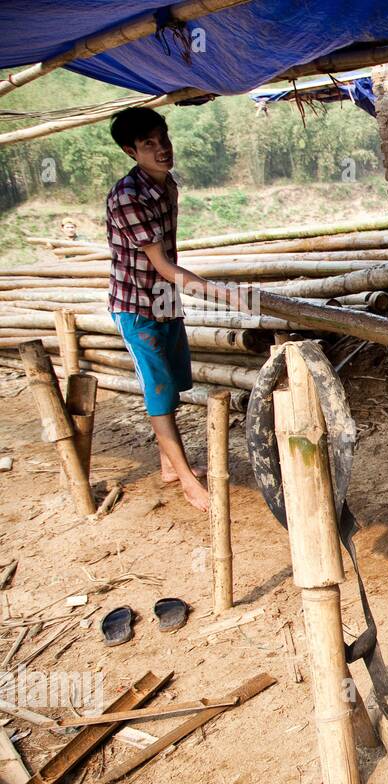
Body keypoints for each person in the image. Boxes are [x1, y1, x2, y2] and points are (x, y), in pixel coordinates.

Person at [106, 107, 238, 512]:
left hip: (165, 299)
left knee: (177, 379)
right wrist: (222, 293)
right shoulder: (127, 197)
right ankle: (185, 481)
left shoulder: (168, 186)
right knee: (159, 391)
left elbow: (166, 260)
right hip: (136, 306)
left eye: (163, 139)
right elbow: (162, 264)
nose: (162, 149)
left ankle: (168, 464)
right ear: (131, 151)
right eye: (149, 144)